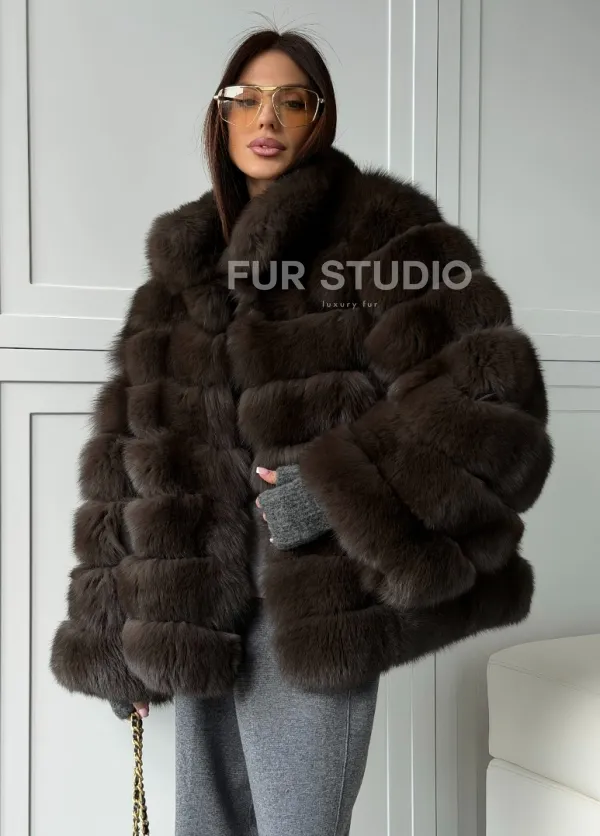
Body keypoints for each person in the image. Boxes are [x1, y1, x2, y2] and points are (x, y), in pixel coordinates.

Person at [49, 25, 553, 836]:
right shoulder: (180, 272)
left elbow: (491, 393)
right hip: (196, 597)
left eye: (292, 101)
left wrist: (328, 493)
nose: (267, 118)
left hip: (317, 587)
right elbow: (123, 458)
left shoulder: (383, 231)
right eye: (247, 99)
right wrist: (111, 642)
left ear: (320, 118)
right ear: (220, 116)